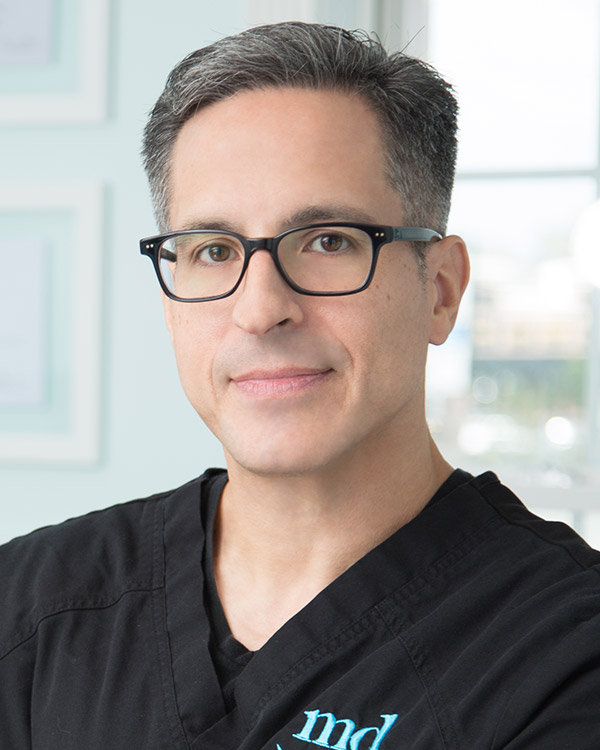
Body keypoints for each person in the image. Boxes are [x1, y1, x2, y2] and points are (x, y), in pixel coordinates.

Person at [1, 21, 599, 749]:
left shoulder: (565, 655)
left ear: (440, 291)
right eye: (213, 250)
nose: (259, 309)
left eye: (327, 241)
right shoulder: (31, 604)